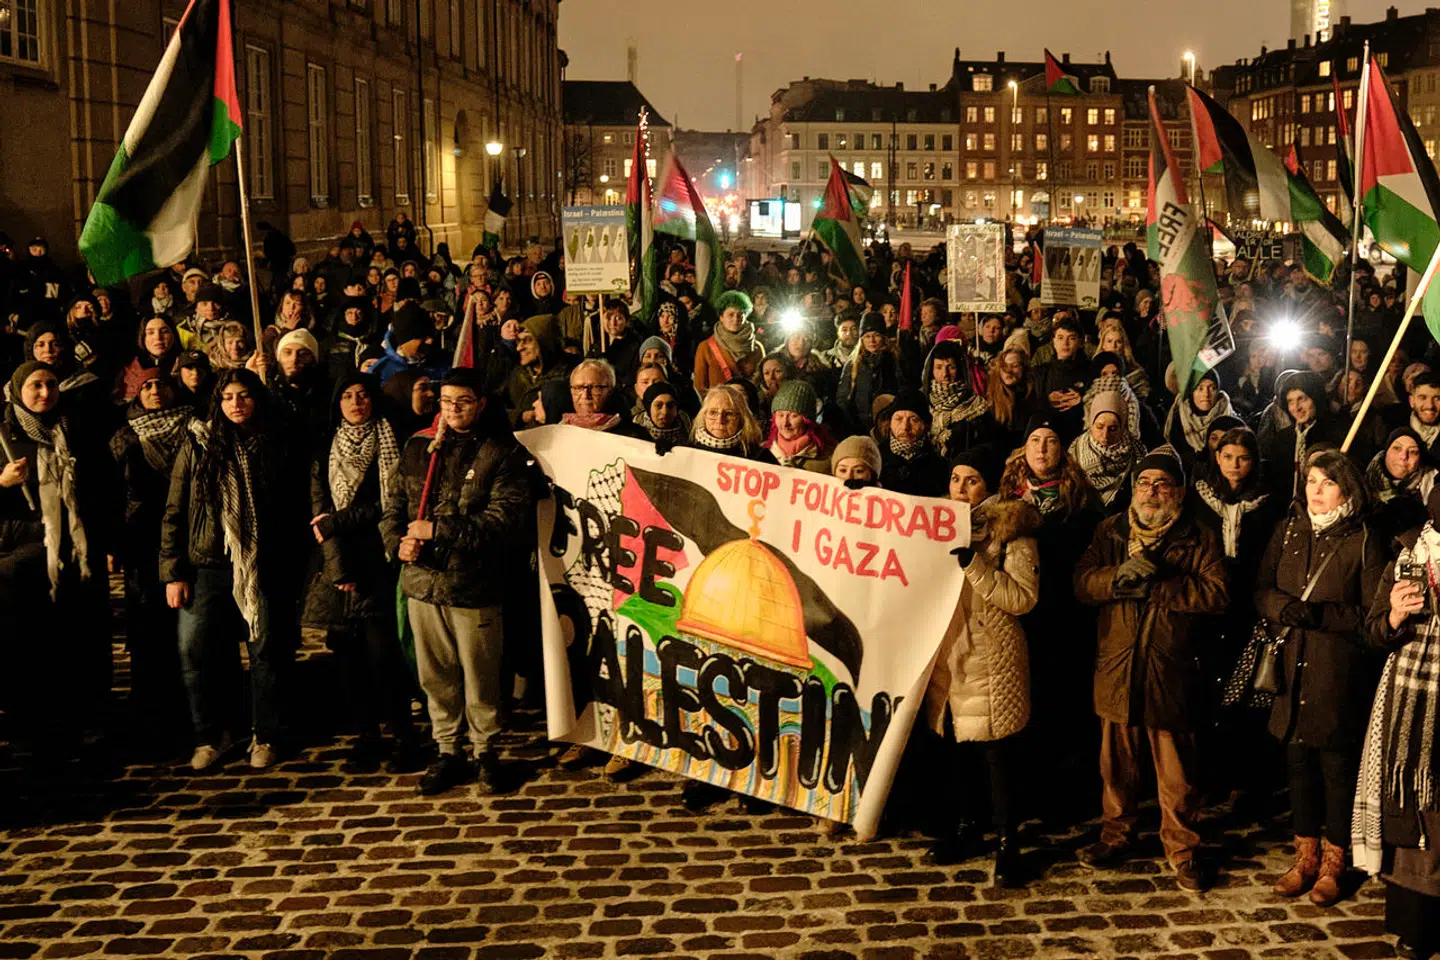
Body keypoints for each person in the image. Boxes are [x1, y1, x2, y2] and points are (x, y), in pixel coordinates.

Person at [1074, 446, 1228, 891]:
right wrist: (1117, 578)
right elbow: (1081, 582)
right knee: (1115, 766)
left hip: (1170, 668)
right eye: (1144, 482)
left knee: (1176, 772)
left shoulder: (1198, 536)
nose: (1152, 491)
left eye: (1162, 483)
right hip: (1118, 666)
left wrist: (1160, 584)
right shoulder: (1110, 531)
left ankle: (1183, 850)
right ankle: (1116, 836)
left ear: (1177, 492)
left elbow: (1216, 593)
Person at [381, 367, 537, 795]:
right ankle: (447, 749)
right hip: (422, 584)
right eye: (446, 401)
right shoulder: (418, 447)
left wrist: (439, 530)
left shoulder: (501, 453)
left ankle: (486, 751)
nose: (452, 410)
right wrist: (397, 542)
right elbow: (394, 505)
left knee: (480, 674)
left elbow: (504, 521)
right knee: (435, 676)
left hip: (474, 585)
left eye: (462, 402)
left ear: (480, 403)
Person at [1256, 449, 1385, 907]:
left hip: (1336, 672)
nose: (1316, 490)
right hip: (1292, 667)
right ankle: (1304, 857)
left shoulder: (1363, 540)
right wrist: (1280, 609)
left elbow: (1372, 616)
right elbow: (1263, 587)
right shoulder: (1290, 529)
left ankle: (1335, 863)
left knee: (1335, 771)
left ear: (1346, 489)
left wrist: (1318, 614)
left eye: (1327, 482)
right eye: (1311, 480)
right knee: (1298, 769)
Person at [161, 369, 299, 772]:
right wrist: (173, 572)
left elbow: (291, 507)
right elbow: (174, 511)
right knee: (195, 649)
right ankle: (211, 734)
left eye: (244, 396)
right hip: (207, 565)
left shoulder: (275, 442)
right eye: (227, 397)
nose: (236, 404)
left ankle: (266, 734)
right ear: (217, 403)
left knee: (266, 652)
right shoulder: (199, 444)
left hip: (262, 565)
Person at [923, 445, 1039, 887]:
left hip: (993, 657)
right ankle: (968, 829)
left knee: (997, 756)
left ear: (988, 485)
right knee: (958, 752)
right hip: (950, 655)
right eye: (955, 479)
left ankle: (1009, 843)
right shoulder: (934, 528)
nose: (961, 489)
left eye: (971, 480)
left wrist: (976, 566)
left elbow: (1022, 598)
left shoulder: (1011, 530)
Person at [303, 372, 422, 769]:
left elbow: (389, 503)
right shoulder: (325, 449)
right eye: (349, 396)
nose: (357, 403)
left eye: (363, 395)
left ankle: (404, 734)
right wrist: (339, 568)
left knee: (383, 654)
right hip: (340, 566)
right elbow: (321, 518)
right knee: (348, 655)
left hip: (380, 561)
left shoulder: (392, 441)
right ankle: (367, 734)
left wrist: (343, 519)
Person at [0, 362, 112, 749]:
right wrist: (2, 483)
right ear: (18, 390)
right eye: (35, 386)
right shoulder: (4, 435)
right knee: (30, 644)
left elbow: (100, 484)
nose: (45, 393)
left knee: (80, 638)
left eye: (50, 385)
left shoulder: (73, 428)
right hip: (26, 557)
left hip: (77, 551)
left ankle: (87, 718)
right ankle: (33, 724)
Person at [1360, 484, 1440, 960]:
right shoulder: (1410, 556)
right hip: (1415, 699)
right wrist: (1393, 614)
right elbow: (1372, 633)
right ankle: (1418, 928)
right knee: (1419, 807)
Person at [109, 369, 192, 744]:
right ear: (135, 394)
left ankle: (194, 709)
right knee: (147, 630)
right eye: (147, 386)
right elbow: (111, 493)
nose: (155, 391)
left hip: (186, 536)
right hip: (142, 541)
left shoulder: (195, 429)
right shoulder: (124, 438)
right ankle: (153, 717)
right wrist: (115, 541)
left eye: (161, 385)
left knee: (187, 628)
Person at [1068, 381, 1147, 514]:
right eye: (1099, 427)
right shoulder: (1075, 454)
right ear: (1091, 423)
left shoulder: (1136, 452)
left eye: (1113, 429)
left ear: (1123, 428)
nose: (1105, 435)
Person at [1366, 427, 1437, 546]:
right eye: (1397, 448)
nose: (1404, 456)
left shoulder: (1432, 484)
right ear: (1386, 451)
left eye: (1413, 452)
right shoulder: (1366, 481)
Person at [837, 313, 903, 436]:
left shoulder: (894, 360)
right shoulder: (853, 364)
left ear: (883, 337)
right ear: (862, 339)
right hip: (860, 428)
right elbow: (843, 399)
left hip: (889, 427)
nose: (871, 340)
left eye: (876, 335)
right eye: (867, 336)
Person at [1165, 369, 1238, 472]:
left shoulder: (1231, 421)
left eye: (1212, 388)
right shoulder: (1178, 419)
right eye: (1200, 388)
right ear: (1192, 392)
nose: (1206, 394)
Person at [879, 390, 948, 497]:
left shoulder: (939, 465)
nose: (905, 427)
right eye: (898, 419)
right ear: (890, 423)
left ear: (925, 425)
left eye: (914, 420)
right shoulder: (876, 458)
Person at [693, 291, 763, 393]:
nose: (736, 319)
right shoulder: (705, 347)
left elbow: (761, 384)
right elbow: (699, 388)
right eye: (731, 315)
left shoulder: (756, 348)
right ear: (721, 317)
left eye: (740, 315)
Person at [687, 383, 775, 462]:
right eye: (713, 412)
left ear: (741, 419)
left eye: (729, 413)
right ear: (704, 415)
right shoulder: (686, 454)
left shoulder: (760, 457)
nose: (720, 420)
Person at [763, 380, 832, 472]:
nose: (785, 423)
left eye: (793, 416)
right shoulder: (761, 454)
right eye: (780, 415)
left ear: (807, 420)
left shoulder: (828, 458)